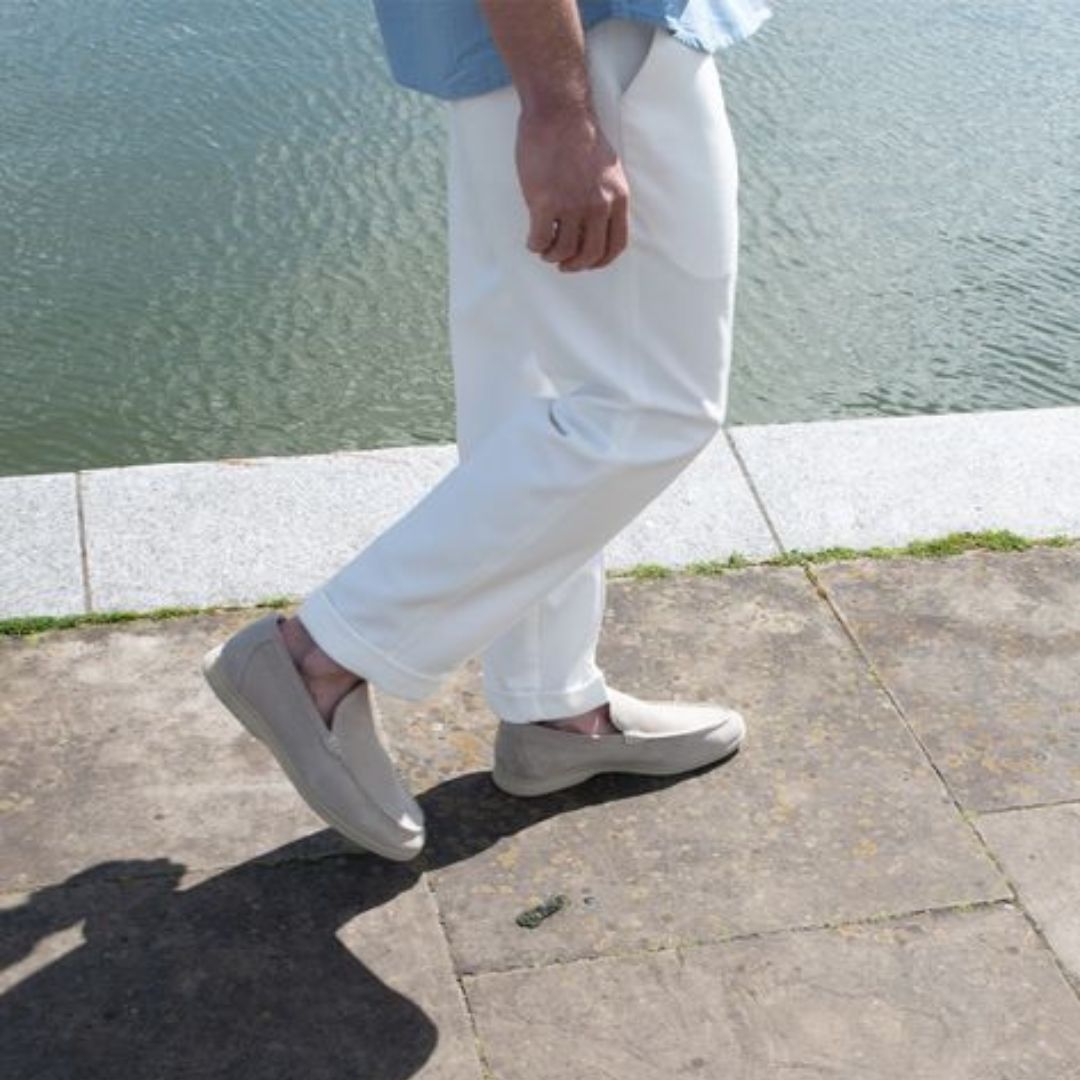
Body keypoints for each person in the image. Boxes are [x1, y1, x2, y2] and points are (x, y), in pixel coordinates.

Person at [202, 0, 772, 861]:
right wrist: (561, 109)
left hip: (531, 47)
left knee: (528, 390)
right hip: (592, 40)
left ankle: (553, 705)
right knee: (650, 404)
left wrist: (546, 96)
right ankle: (317, 656)